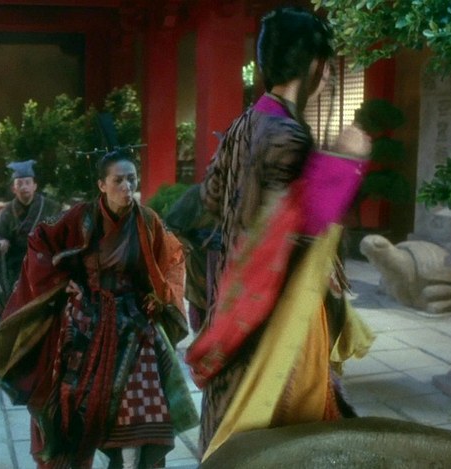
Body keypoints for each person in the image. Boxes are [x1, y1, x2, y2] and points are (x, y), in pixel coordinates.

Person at [184, 6, 374, 459]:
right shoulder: (289, 134)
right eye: (326, 68)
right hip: (274, 312)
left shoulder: (243, 124)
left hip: (234, 297)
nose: (326, 78)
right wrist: (344, 162)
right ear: (315, 66)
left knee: (232, 427)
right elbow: (302, 227)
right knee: (277, 432)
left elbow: (209, 198)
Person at [0, 151, 198, 469]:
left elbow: (171, 259)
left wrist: (160, 295)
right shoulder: (79, 218)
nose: (127, 187)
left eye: (131, 179)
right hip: (85, 319)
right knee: (72, 405)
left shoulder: (148, 221)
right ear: (102, 185)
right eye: (118, 180)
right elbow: (39, 241)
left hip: (135, 323)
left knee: (143, 406)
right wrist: (62, 281)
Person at [0, 160, 61, 306]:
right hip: (16, 264)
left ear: (35, 186)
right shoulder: (8, 211)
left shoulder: (51, 207)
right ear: (14, 189)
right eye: (19, 184)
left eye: (27, 183)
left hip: (45, 261)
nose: (24, 187)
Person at [163, 184, 220, 333]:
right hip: (203, 263)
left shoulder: (242, 190)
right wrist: (183, 242)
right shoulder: (198, 194)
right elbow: (168, 227)